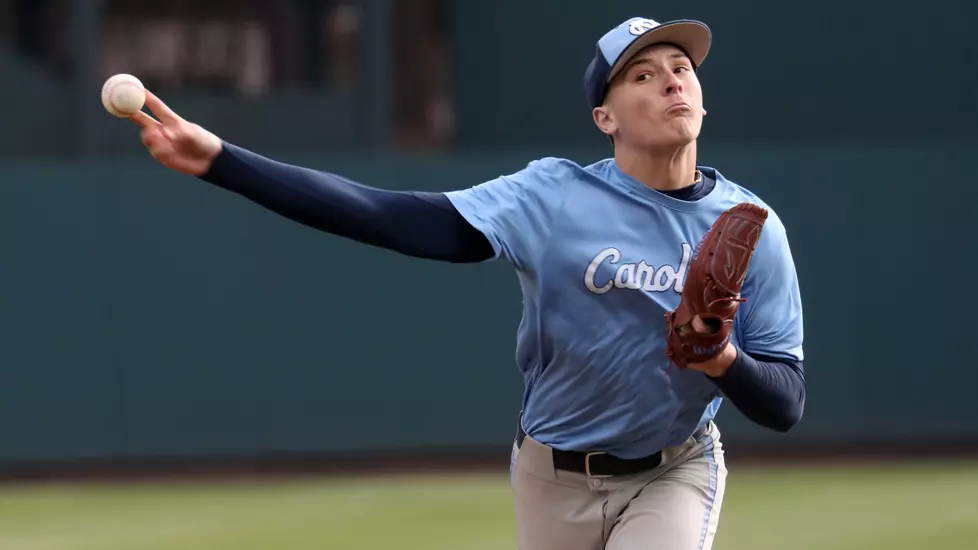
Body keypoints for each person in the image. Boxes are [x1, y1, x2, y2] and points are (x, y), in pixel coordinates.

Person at [129, 15, 805, 550]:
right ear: (605, 118)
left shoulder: (752, 229)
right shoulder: (553, 197)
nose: (671, 81)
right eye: (642, 75)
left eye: (681, 68)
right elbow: (392, 218)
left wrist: (722, 360)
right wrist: (223, 162)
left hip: (672, 469)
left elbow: (785, 403)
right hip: (551, 474)